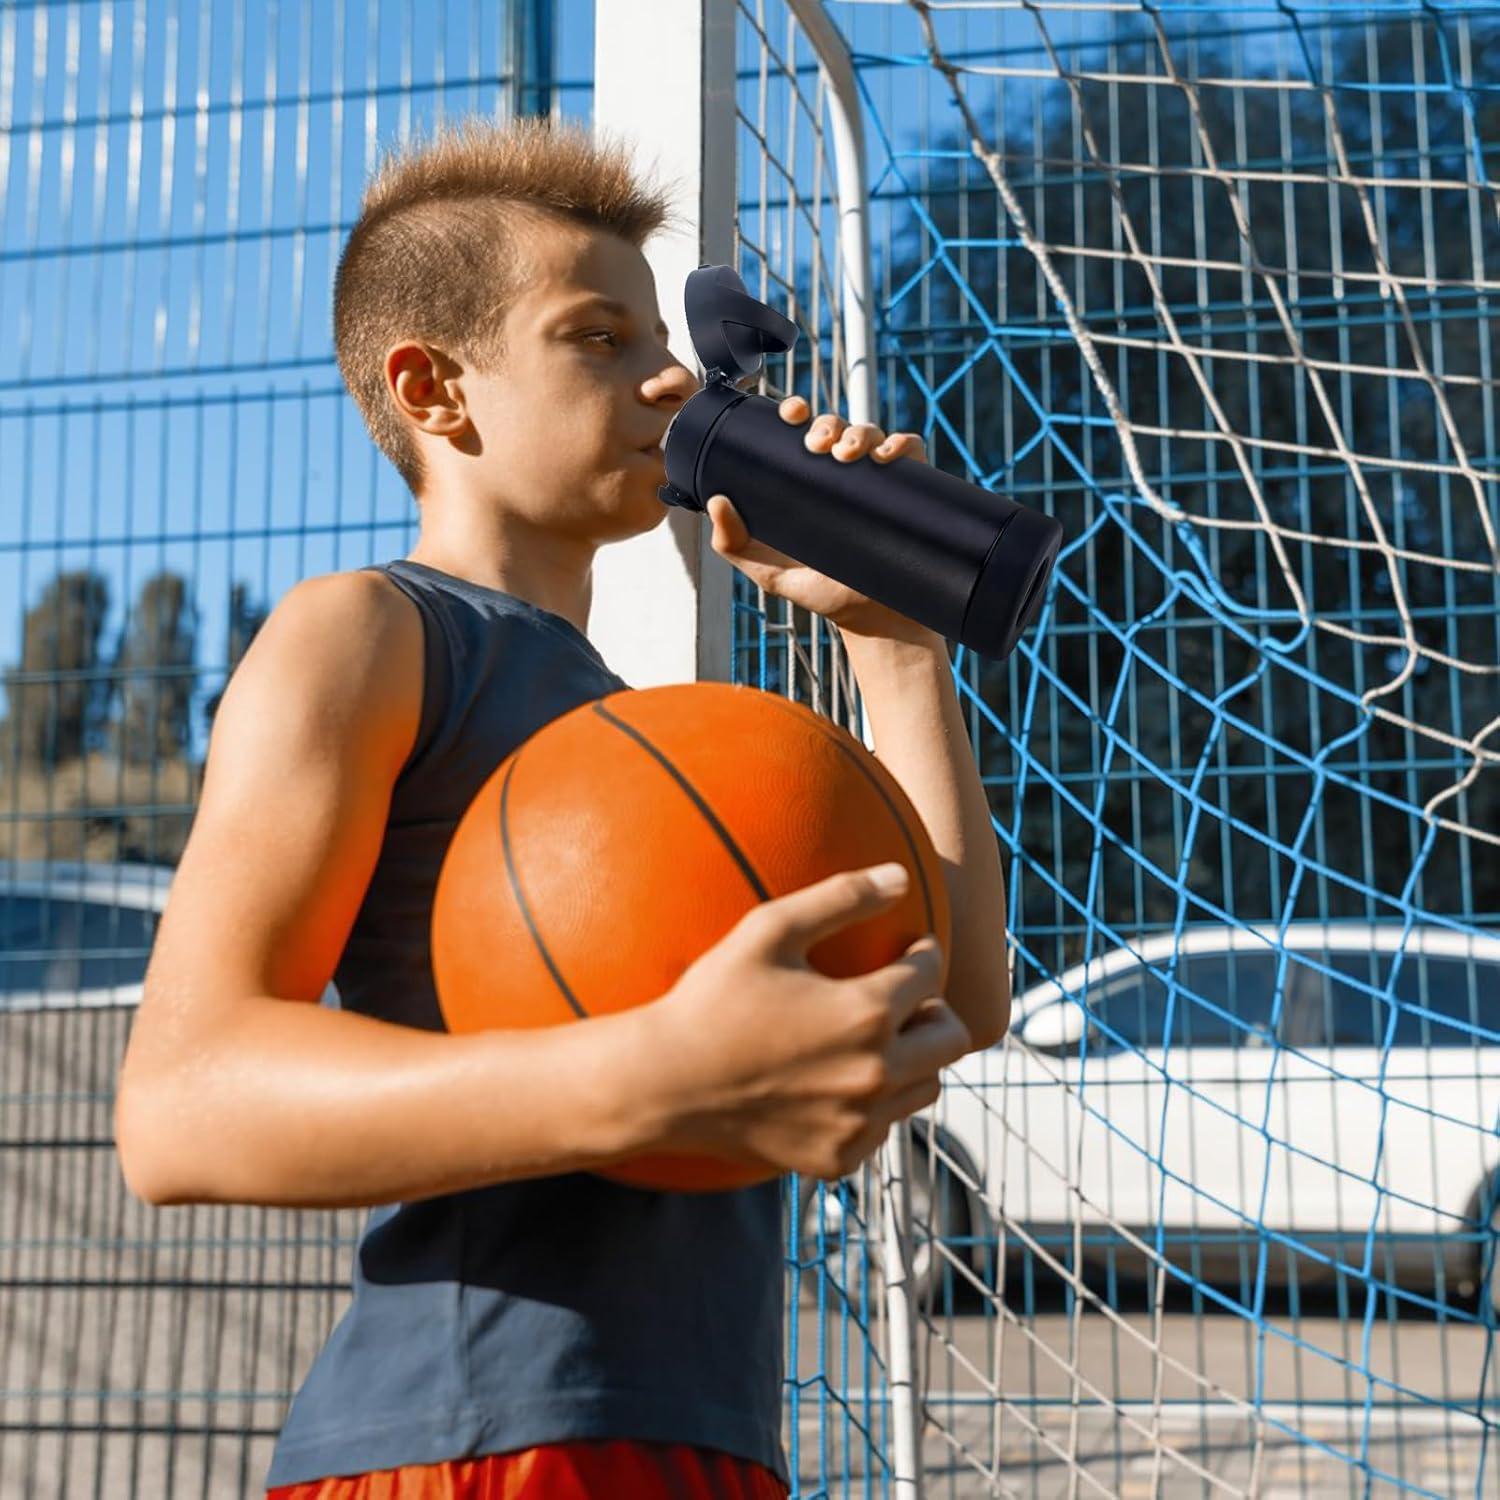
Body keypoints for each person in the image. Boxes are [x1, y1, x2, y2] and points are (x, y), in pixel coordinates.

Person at [112, 113, 1012, 1499]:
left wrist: (894, 650)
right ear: (435, 390)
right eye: (600, 338)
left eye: (663, 338)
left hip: (709, 1441)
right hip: (475, 1444)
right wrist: (653, 1077)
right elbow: (179, 1111)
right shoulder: (369, 633)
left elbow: (952, 1001)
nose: (668, 377)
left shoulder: (642, 731)